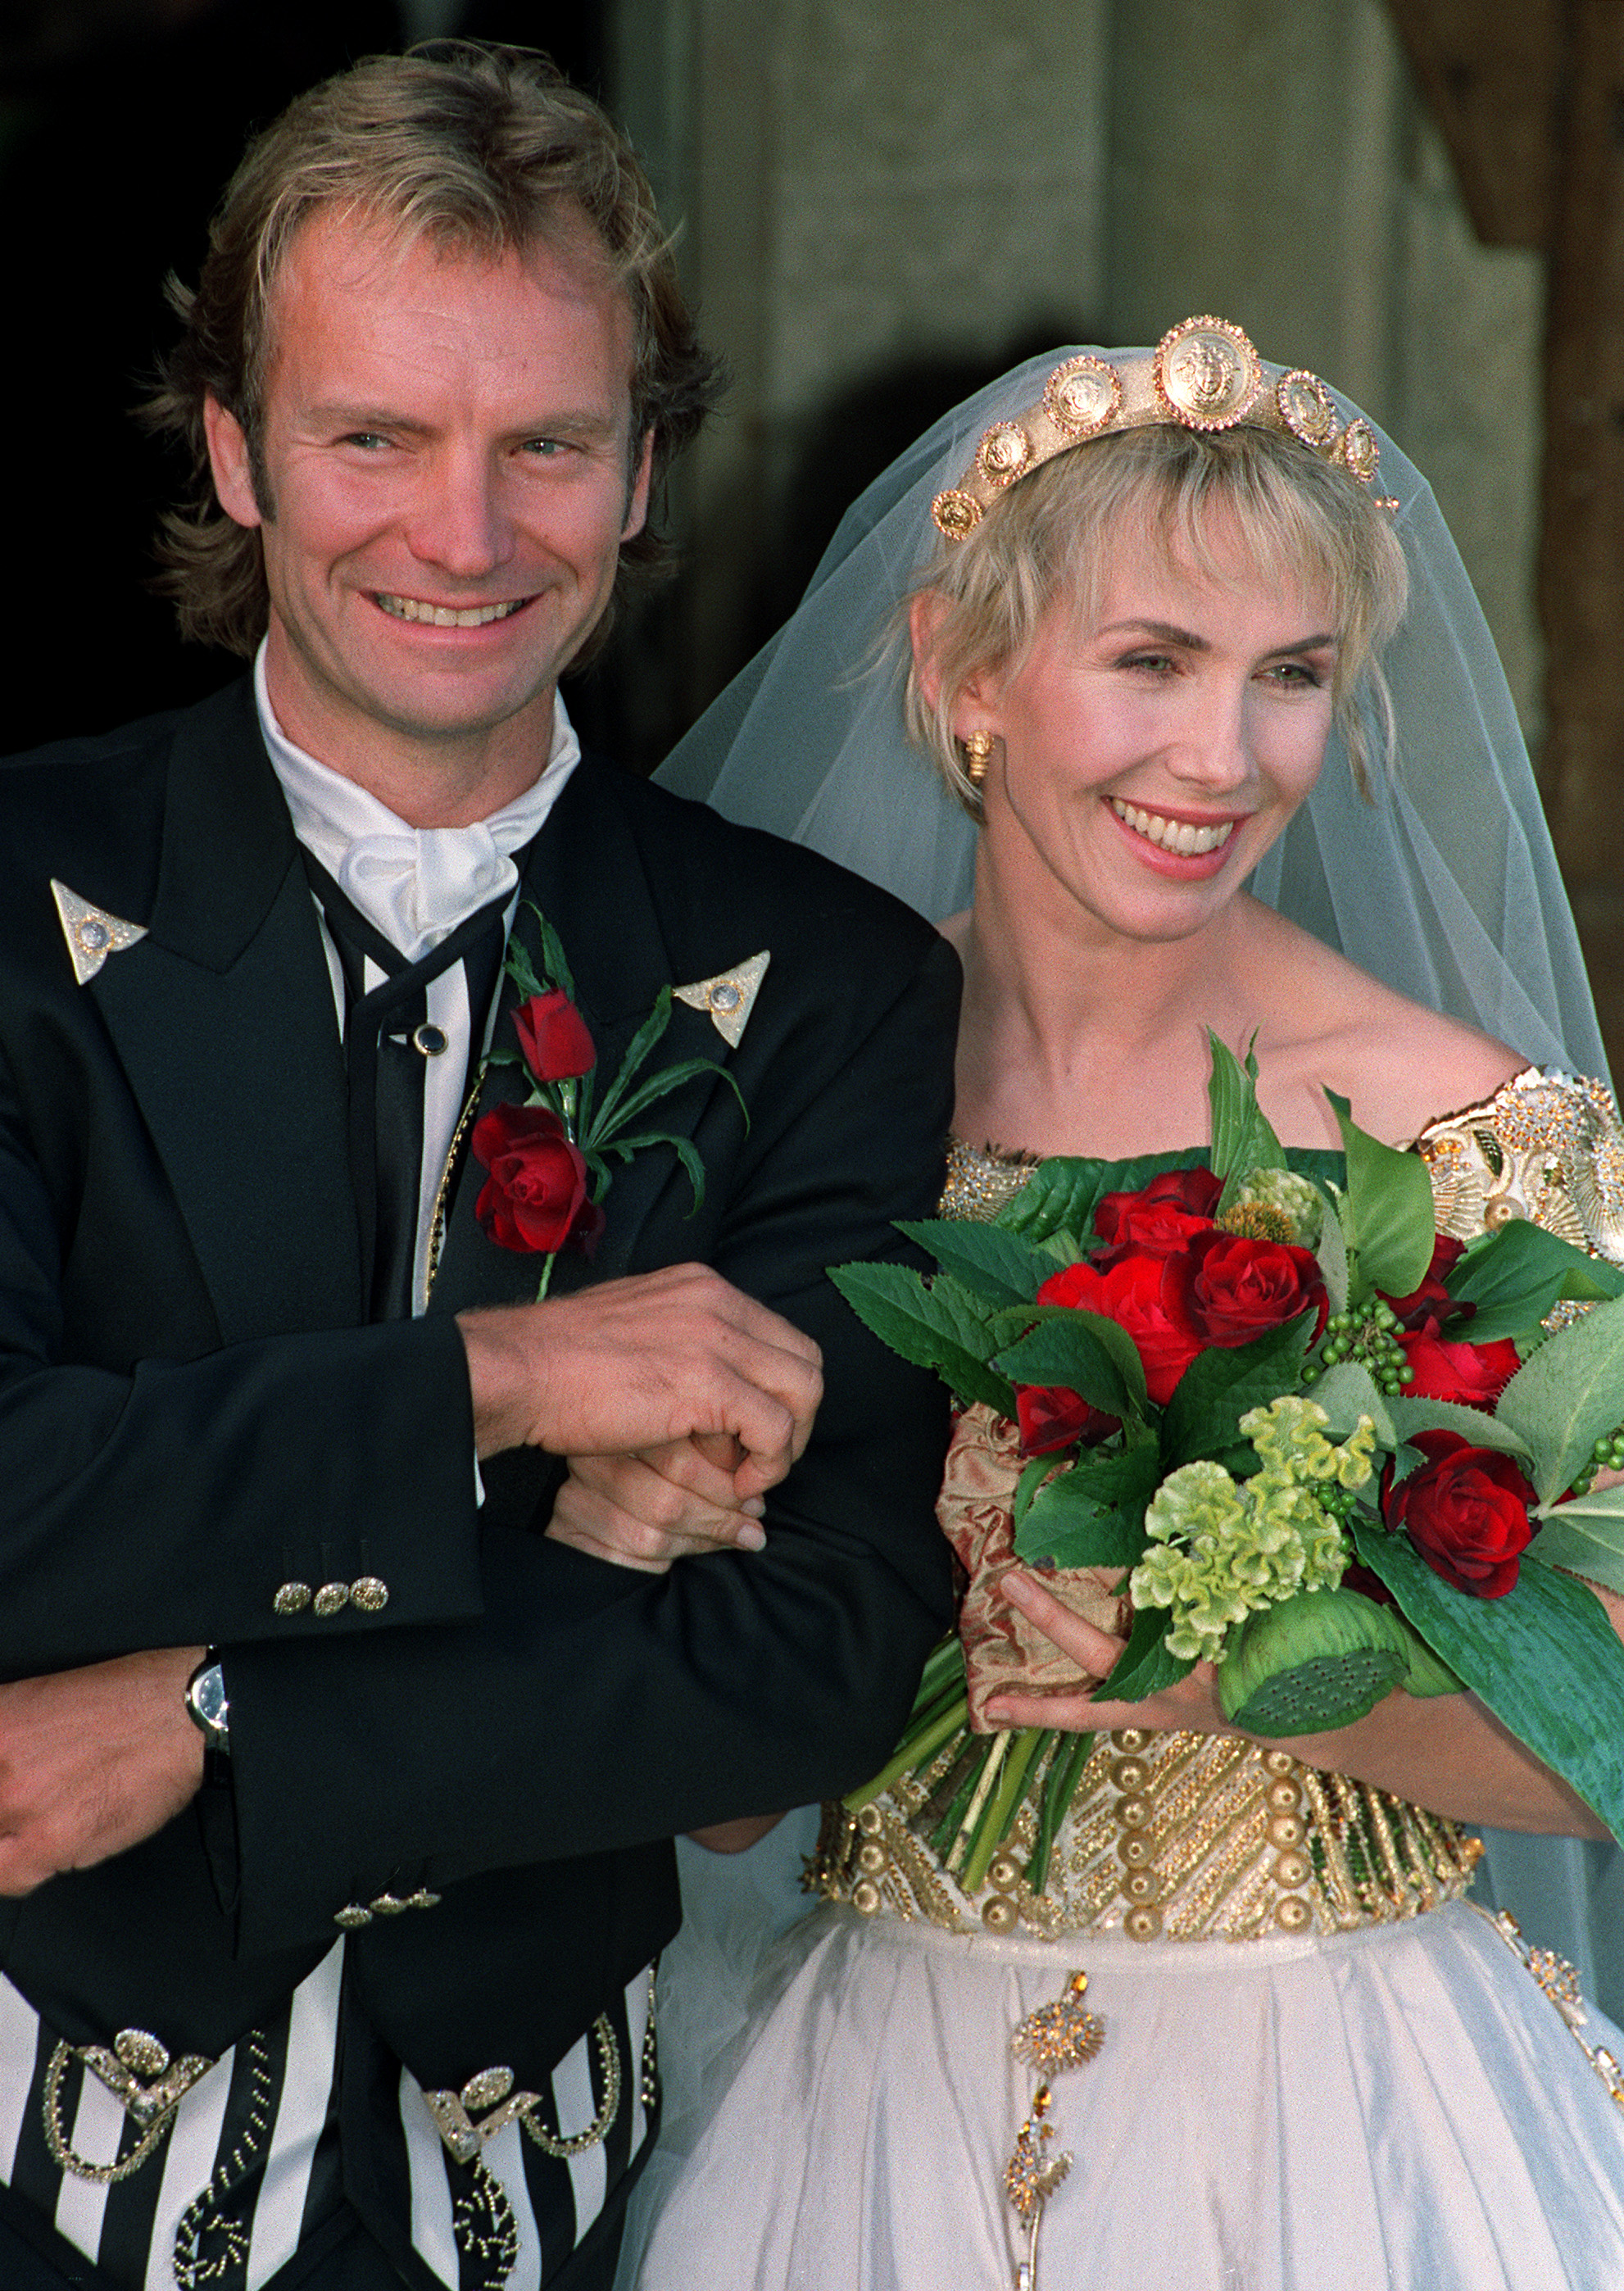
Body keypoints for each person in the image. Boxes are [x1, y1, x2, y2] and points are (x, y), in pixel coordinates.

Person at [0, 43, 961, 2291]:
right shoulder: (9, 892)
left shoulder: (810, 978)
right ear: (233, 448)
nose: (464, 530)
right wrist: (510, 1396)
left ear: (639, 467)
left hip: (530, 2208)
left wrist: (214, 1709)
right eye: (374, 436)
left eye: (543, 441)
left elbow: (807, 1646)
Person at [580, 325, 1624, 2288]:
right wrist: (659, 1545)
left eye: (1290, 677)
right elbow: (719, 1817)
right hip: (876, 2105)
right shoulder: (778, 1112)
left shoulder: (1458, 1136)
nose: (1221, 761)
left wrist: (1247, 1679)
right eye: (1149, 661)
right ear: (960, 675)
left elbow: (1609, 1734)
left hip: (1339, 2110)